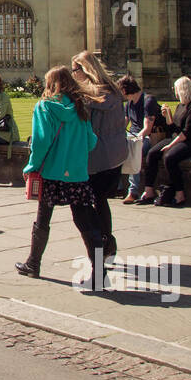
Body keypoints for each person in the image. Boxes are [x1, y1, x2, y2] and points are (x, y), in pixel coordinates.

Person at [15, 66, 103, 288]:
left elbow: (41, 141)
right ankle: (100, 273)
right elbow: (91, 141)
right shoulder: (80, 108)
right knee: (85, 223)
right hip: (76, 174)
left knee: (43, 219)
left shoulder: (45, 106)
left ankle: (33, 264)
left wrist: (31, 166)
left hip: (52, 172)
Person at [71, 51, 127, 258]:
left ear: (84, 70)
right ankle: (107, 241)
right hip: (117, 154)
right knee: (100, 200)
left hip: (97, 156)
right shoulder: (112, 90)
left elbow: (83, 128)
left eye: (75, 70)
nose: (73, 74)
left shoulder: (89, 96)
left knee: (83, 205)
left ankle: (102, 244)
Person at [137, 76, 191, 206]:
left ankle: (179, 194)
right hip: (177, 138)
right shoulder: (181, 105)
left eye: (175, 88)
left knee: (170, 157)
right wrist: (168, 116)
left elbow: (186, 133)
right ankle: (149, 190)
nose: (174, 91)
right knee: (152, 154)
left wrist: (170, 145)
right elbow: (174, 128)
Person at [119, 75, 166, 203]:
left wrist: (135, 140)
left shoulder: (148, 101)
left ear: (124, 90)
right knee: (115, 149)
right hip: (134, 135)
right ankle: (116, 187)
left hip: (148, 137)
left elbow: (147, 129)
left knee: (134, 152)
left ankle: (133, 191)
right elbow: (124, 123)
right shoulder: (129, 103)